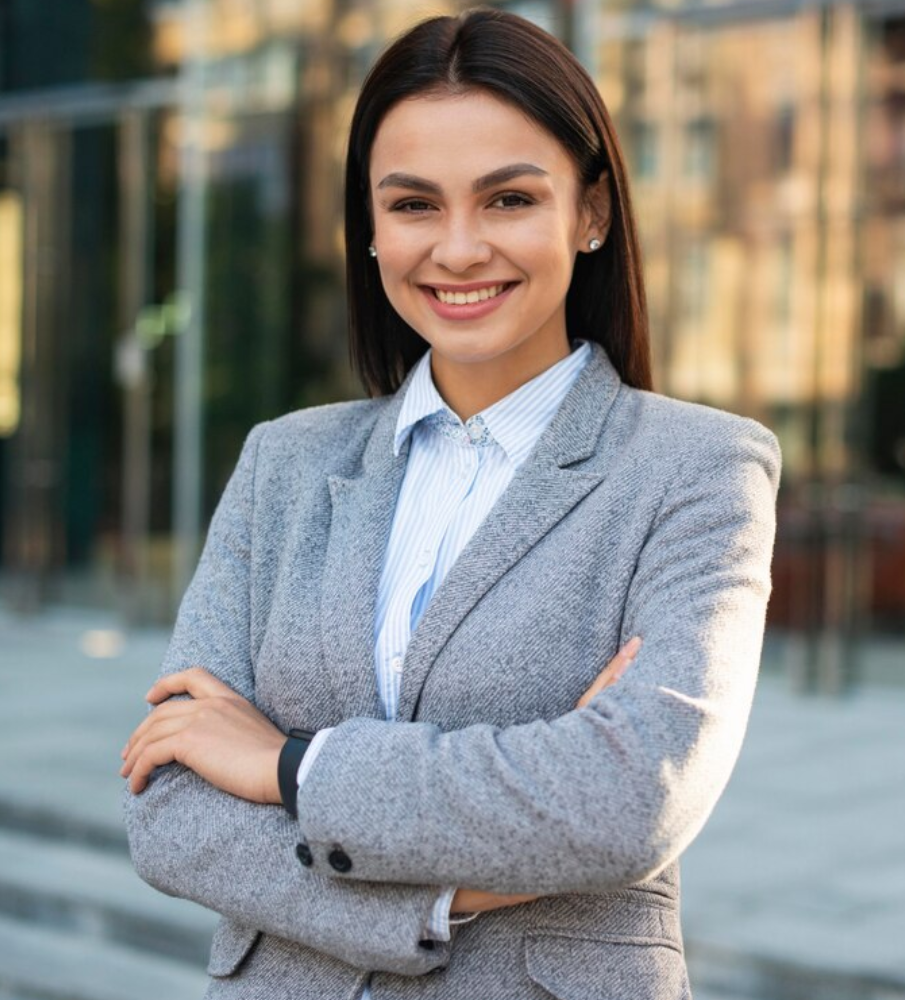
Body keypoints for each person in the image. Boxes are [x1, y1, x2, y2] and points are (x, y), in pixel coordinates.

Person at [121, 7, 780, 998]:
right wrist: (444, 893)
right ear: (371, 226)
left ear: (591, 213)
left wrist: (288, 768)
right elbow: (170, 812)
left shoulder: (698, 468)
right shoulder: (282, 463)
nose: (460, 249)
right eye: (414, 204)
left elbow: (628, 798)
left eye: (509, 198)